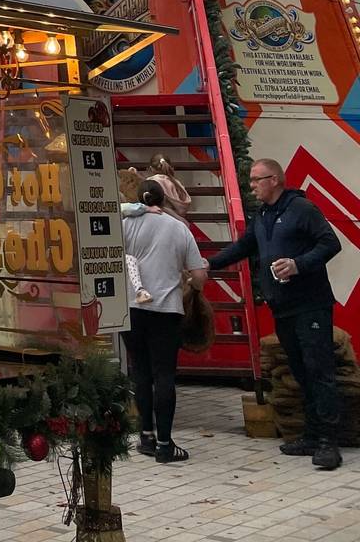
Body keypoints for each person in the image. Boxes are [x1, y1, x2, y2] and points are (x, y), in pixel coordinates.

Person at [208, 158, 342, 471]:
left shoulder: (302, 209)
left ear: (275, 180)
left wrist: (299, 264)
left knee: (319, 370)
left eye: (256, 180)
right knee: (300, 370)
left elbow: (331, 243)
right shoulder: (263, 215)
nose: (251, 186)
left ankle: (328, 443)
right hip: (282, 307)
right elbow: (244, 246)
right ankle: (311, 435)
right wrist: (209, 265)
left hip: (310, 304)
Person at [122, 181, 208, 463]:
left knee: (141, 372)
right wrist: (190, 282)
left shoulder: (124, 225)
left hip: (132, 308)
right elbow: (198, 275)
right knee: (164, 375)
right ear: (164, 200)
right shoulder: (179, 228)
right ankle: (164, 443)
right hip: (166, 310)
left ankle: (145, 435)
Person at [147, 153, 192, 219]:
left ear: (151, 168)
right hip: (177, 219)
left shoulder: (151, 181)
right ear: (170, 167)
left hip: (159, 217)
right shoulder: (176, 183)